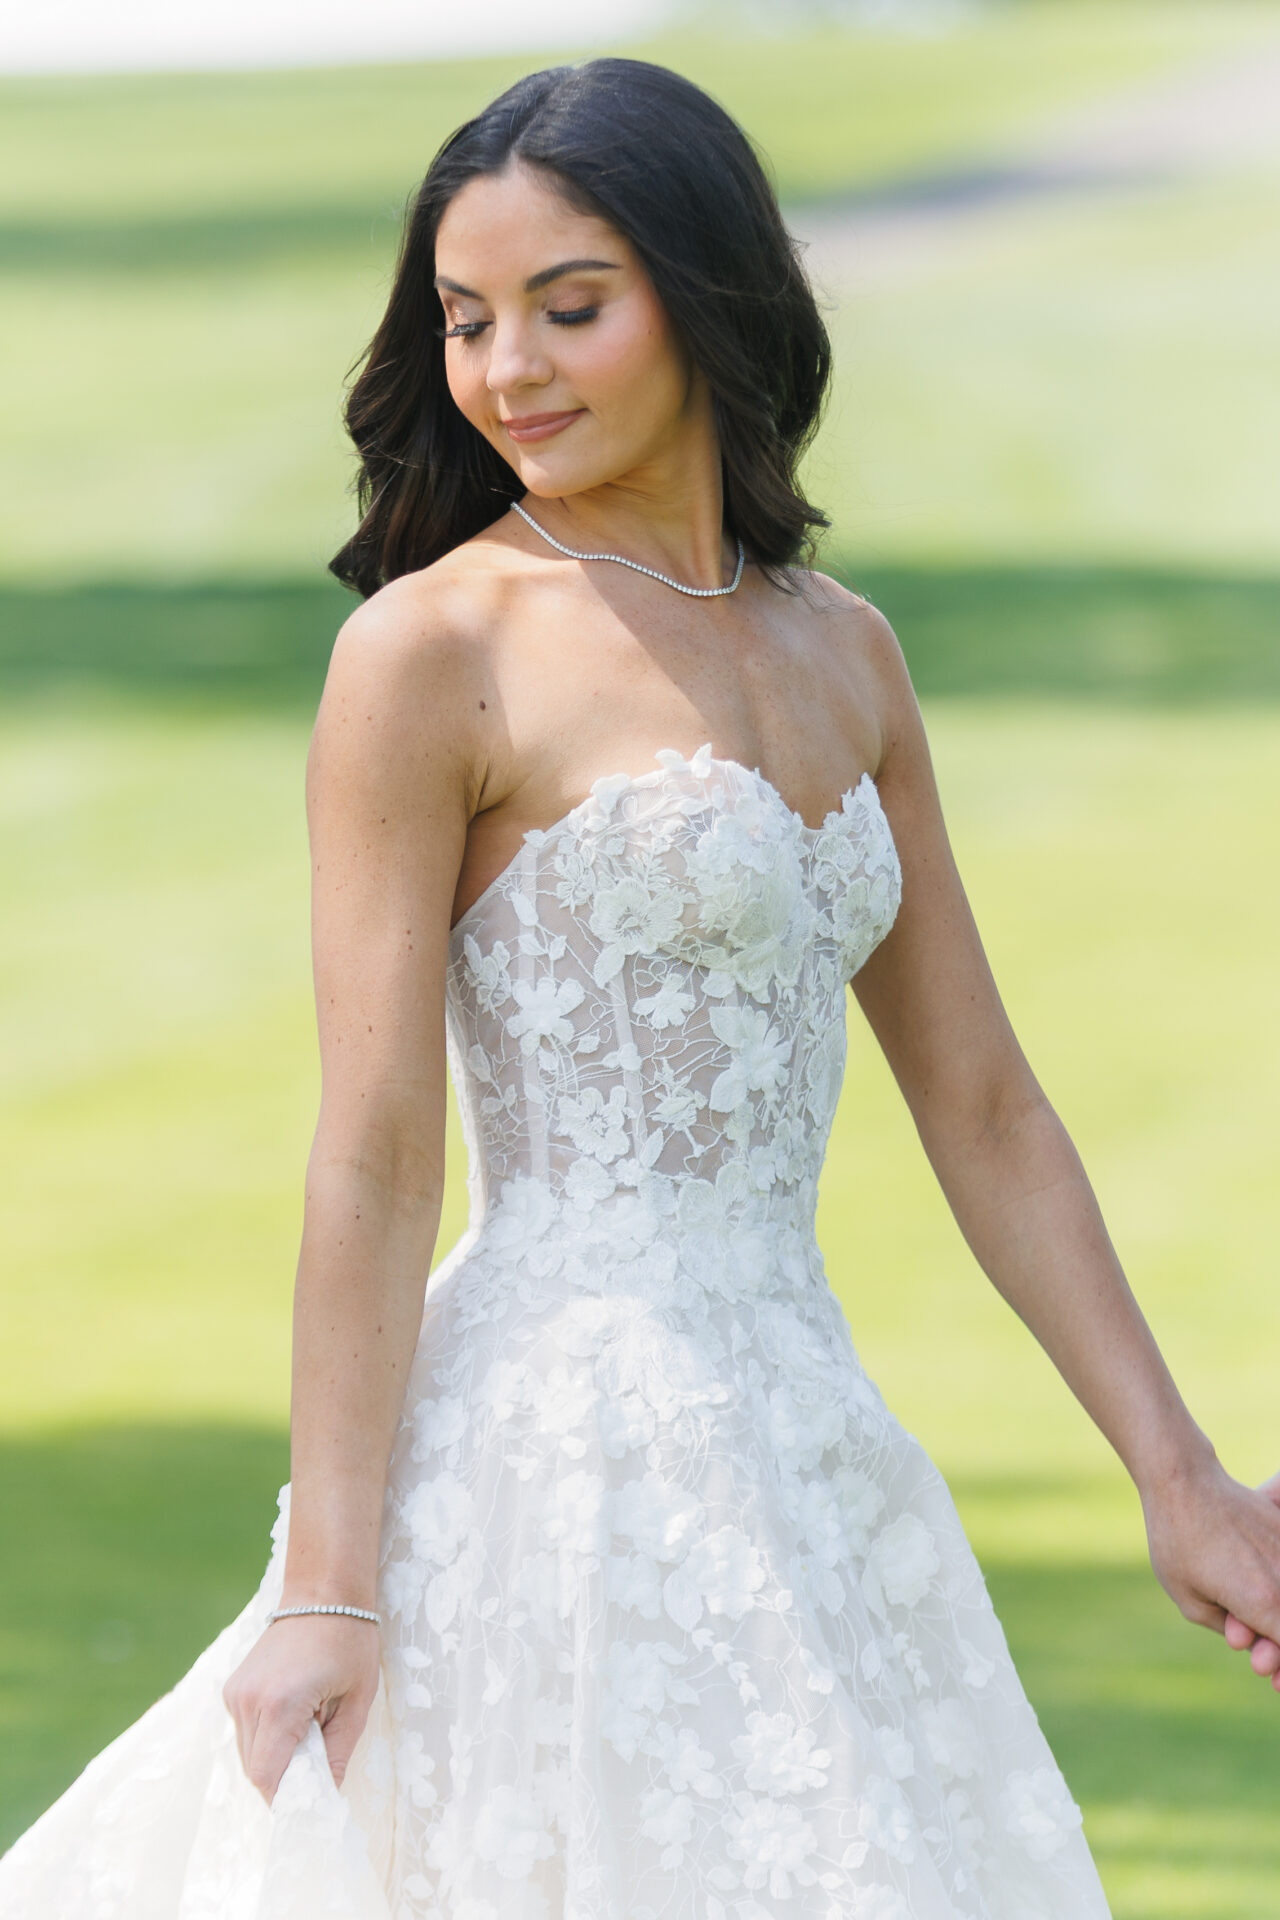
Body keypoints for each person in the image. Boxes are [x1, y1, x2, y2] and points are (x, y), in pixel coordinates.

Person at [2, 54, 1277, 1920]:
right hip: (560, 1458)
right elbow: (370, 1153)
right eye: (466, 317)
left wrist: (1188, 1482)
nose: (507, 367)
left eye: (567, 306)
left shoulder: (846, 653)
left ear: (708, 291)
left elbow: (987, 1109)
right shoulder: (431, 654)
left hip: (805, 1434)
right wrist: (332, 1587)